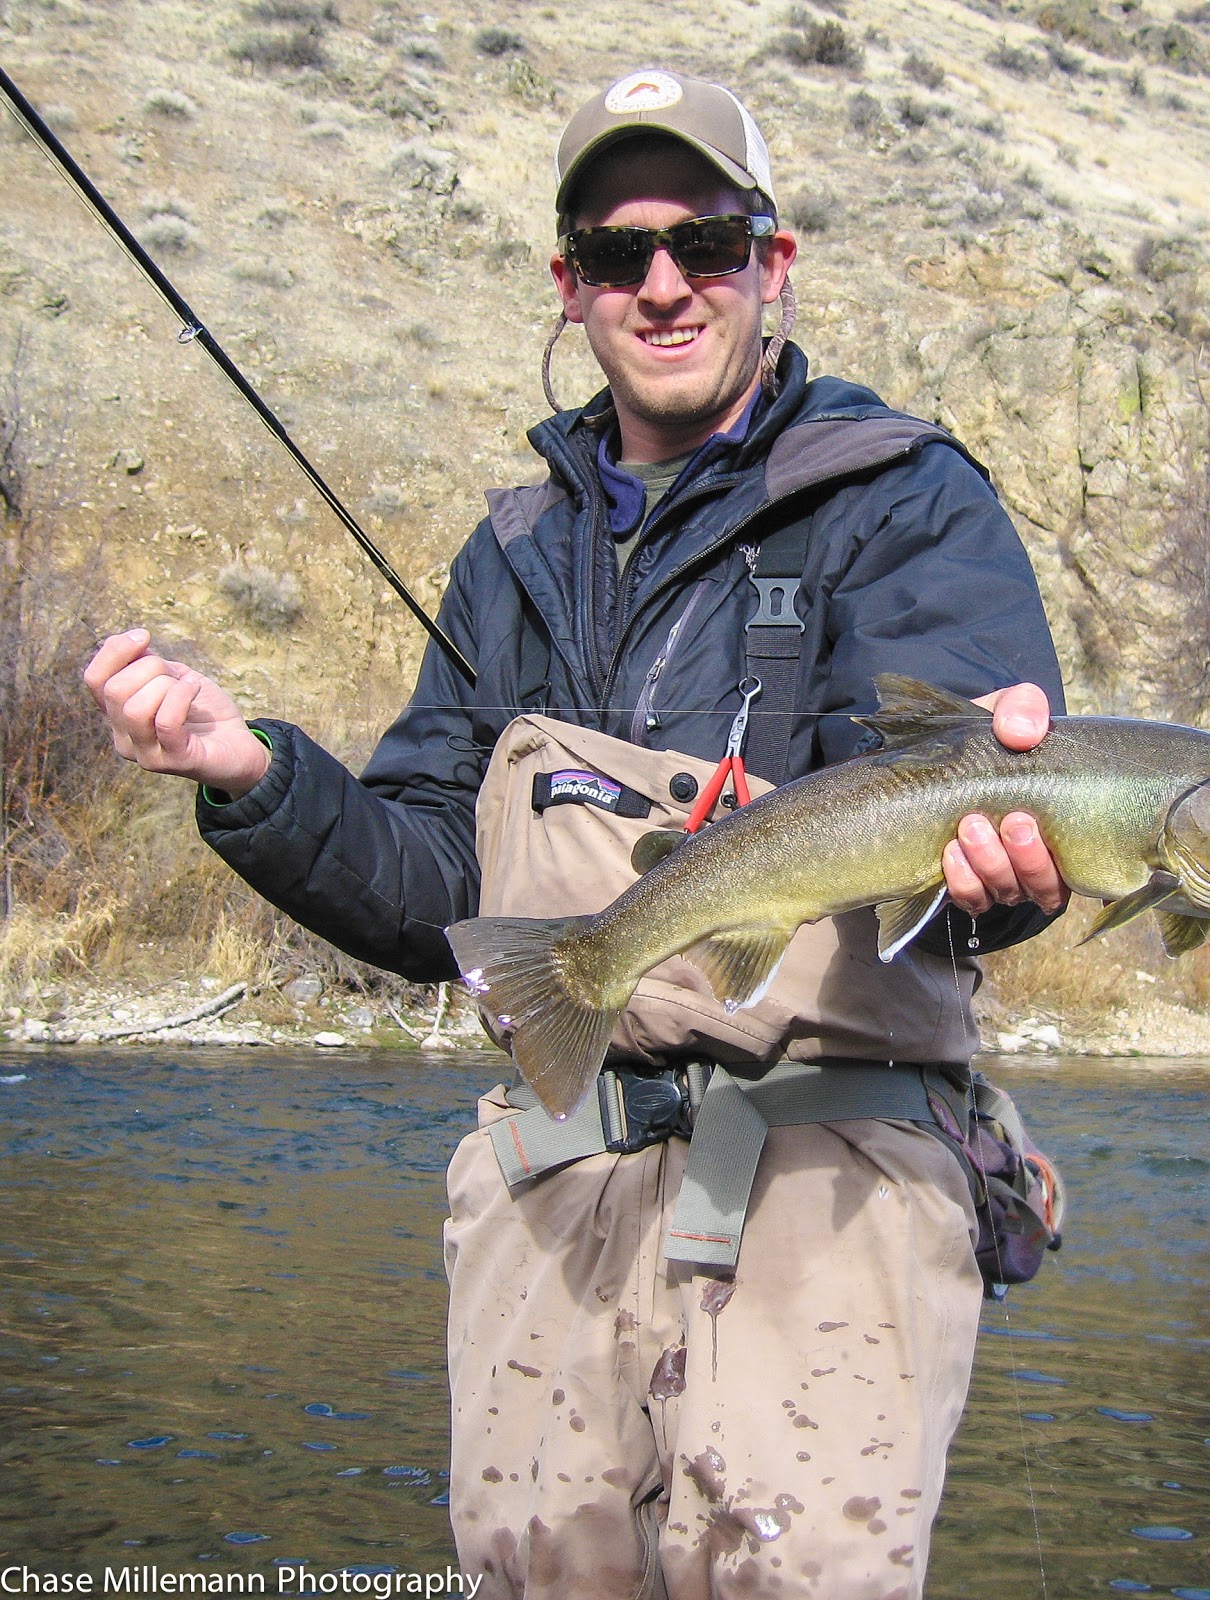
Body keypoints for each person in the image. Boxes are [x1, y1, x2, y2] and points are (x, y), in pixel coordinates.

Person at [85, 67, 1069, 1599]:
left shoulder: (903, 499)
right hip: (557, 1183)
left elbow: (986, 826)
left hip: (834, 1186)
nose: (665, 284)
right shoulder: (513, 552)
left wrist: (1006, 887)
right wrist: (253, 778)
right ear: (570, 284)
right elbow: (438, 895)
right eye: (619, 255)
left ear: (775, 262)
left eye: (710, 241)